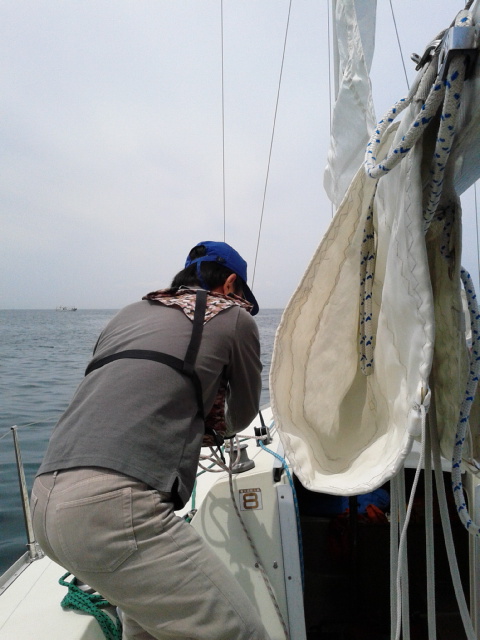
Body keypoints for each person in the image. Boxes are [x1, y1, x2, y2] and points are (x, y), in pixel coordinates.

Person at [31, 241, 271, 640]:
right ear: (231, 284)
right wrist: (213, 426)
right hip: (113, 512)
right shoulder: (235, 317)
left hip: (44, 501)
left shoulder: (128, 313)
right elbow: (242, 414)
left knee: (144, 629)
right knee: (243, 633)